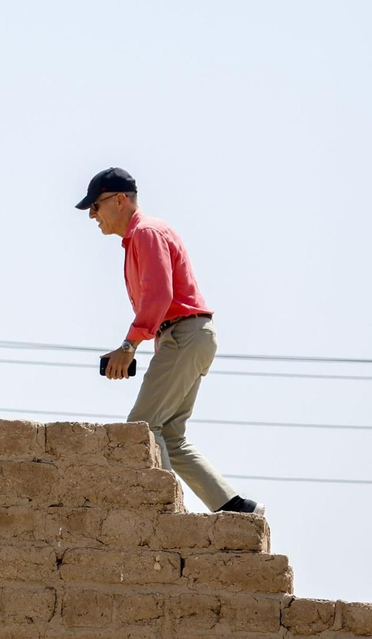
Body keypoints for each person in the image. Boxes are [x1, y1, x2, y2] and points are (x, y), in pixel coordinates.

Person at [79, 167, 262, 514]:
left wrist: (129, 347)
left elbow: (158, 297)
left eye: (96, 205)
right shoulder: (140, 237)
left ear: (120, 200)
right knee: (171, 438)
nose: (92, 214)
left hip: (184, 334)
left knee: (143, 428)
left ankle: (162, 518)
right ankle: (237, 506)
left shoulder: (146, 233)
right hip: (188, 336)